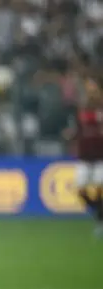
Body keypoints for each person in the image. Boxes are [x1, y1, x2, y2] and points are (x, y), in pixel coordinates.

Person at [66, 78, 103, 237]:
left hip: (100, 156)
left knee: (100, 188)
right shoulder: (80, 112)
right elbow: (77, 131)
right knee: (80, 189)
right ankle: (98, 213)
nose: (91, 95)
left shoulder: (101, 110)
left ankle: (100, 218)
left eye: (93, 91)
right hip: (85, 156)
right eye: (89, 91)